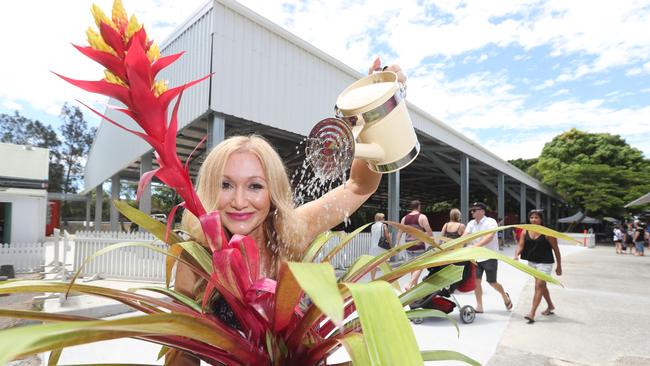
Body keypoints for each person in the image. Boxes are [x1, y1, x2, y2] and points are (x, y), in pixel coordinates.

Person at [173, 59, 406, 365]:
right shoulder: (195, 256)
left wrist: (375, 113)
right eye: (226, 185)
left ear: (273, 192)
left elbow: (358, 187)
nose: (239, 201)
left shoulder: (292, 229)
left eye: (255, 186)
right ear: (207, 191)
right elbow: (185, 350)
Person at [462, 202, 511, 313]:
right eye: (471, 210)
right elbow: (464, 236)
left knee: (492, 282)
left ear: (482, 211)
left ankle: (505, 296)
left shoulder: (491, 222)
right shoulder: (471, 223)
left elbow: (490, 237)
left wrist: (474, 247)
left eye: (474, 210)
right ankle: (479, 306)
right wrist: (456, 246)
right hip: (475, 257)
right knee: (476, 282)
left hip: (489, 256)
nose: (472, 212)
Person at [514, 209, 562, 323]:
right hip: (532, 263)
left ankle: (532, 313)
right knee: (541, 286)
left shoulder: (548, 233)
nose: (534, 219)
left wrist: (559, 266)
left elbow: (556, 250)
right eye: (531, 217)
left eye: (536, 217)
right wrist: (516, 255)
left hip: (545, 262)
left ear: (541, 219)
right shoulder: (525, 231)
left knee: (539, 285)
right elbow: (520, 245)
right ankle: (550, 306)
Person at [396, 200, 433, 290]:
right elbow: (429, 231)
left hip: (408, 246)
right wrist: (428, 238)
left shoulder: (404, 218)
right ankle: (410, 284)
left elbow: (400, 231)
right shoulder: (422, 217)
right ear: (418, 206)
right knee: (420, 266)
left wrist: (397, 244)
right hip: (419, 246)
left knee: (413, 267)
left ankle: (414, 289)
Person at [369, 212, 391, 280]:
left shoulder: (372, 226)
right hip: (381, 247)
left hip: (373, 247)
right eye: (384, 217)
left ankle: (373, 279)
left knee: (373, 264)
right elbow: (387, 236)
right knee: (385, 263)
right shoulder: (383, 225)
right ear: (381, 218)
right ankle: (387, 278)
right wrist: (390, 245)